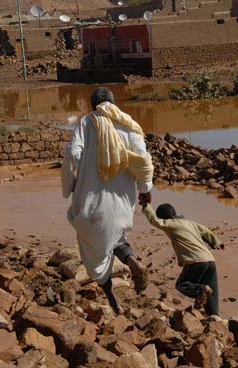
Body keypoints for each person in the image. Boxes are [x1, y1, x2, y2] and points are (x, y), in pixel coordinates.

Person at [61, 87, 153, 314]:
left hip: (91, 199)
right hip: (122, 197)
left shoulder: (86, 123)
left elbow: (73, 153)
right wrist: (145, 189)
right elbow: (143, 159)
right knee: (118, 236)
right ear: (113, 103)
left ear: (93, 105)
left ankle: (113, 301)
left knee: (94, 251)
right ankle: (132, 261)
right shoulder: (129, 124)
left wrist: (70, 184)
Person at [139, 200, 222, 316]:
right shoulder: (190, 223)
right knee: (212, 293)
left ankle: (200, 290)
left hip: (195, 261)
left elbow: (155, 221)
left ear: (165, 218)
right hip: (210, 260)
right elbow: (205, 231)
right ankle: (214, 316)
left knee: (182, 284)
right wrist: (216, 242)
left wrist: (145, 206)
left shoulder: (171, 224)